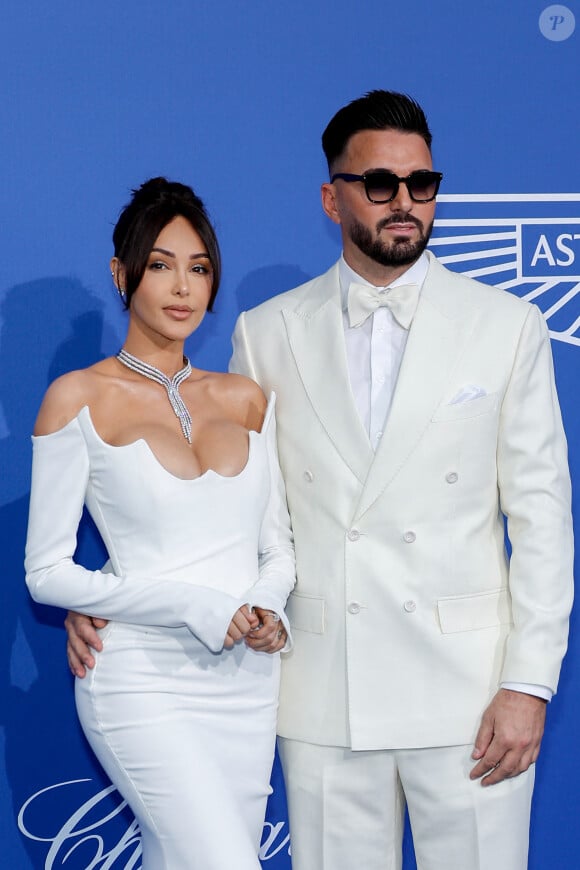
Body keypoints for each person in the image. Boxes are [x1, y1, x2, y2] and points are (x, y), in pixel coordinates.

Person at [65, 92, 574, 870]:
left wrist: (529, 685)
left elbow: (543, 522)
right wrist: (108, 602)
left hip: (471, 699)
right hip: (324, 696)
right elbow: (228, 509)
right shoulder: (267, 333)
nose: (405, 203)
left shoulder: (505, 327)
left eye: (422, 183)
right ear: (331, 198)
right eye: (379, 184)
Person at [24, 177, 295, 870]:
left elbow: (277, 544)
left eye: (199, 268)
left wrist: (265, 605)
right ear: (122, 274)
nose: (182, 287)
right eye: (160, 265)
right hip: (141, 677)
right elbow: (46, 572)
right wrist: (192, 603)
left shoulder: (245, 399)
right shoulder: (77, 396)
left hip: (246, 681)